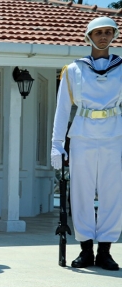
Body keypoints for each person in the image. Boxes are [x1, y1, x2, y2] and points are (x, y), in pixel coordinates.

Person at [52, 17, 122, 271]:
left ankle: (105, 250)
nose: (103, 37)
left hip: (114, 135)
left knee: (112, 194)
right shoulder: (73, 70)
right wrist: (56, 144)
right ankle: (85, 249)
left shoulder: (121, 67)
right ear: (88, 37)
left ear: (113, 35)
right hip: (82, 135)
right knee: (80, 193)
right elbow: (62, 111)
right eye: (97, 32)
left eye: (107, 32)